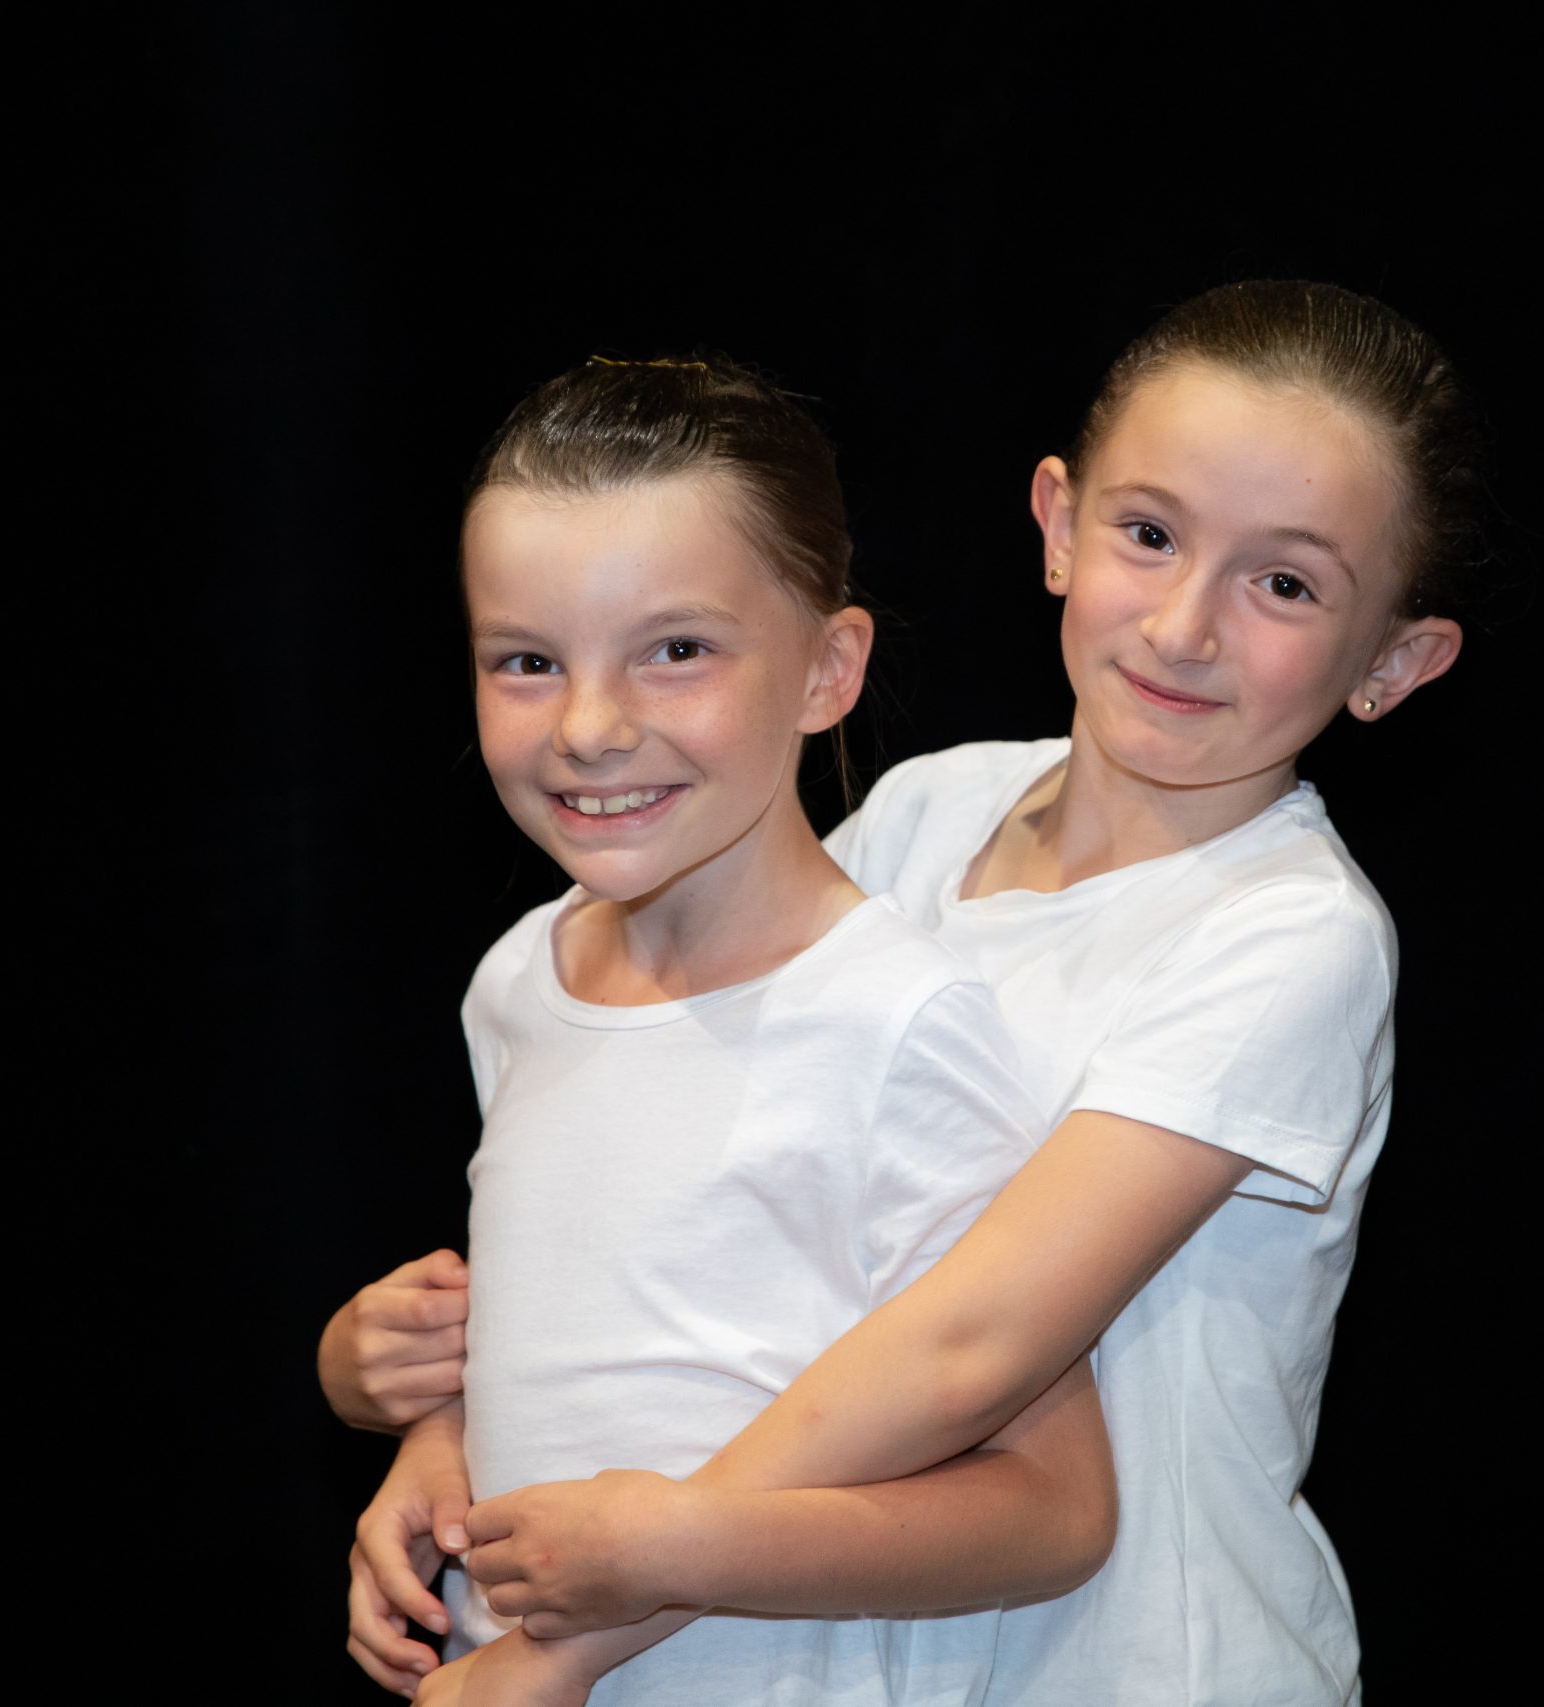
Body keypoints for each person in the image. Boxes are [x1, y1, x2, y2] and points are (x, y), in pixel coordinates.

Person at [341, 279, 1480, 1704]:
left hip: (1138, 1666)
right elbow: (702, 1244)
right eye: (1149, 534)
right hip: (877, 1646)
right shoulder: (930, 812)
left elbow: (964, 1346)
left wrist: (572, 1637)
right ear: (1058, 524)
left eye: (1286, 585)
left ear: (1394, 662)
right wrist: (451, 1430)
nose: (1185, 625)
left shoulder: (1291, 934)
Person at [343, 354, 1119, 1705]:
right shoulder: (516, 983)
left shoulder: (895, 1022)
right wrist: (435, 1434)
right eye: (527, 661)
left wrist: (668, 1555)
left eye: (677, 651)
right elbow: (611, 1345)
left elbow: (1053, 1511)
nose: (590, 727)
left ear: (827, 670)